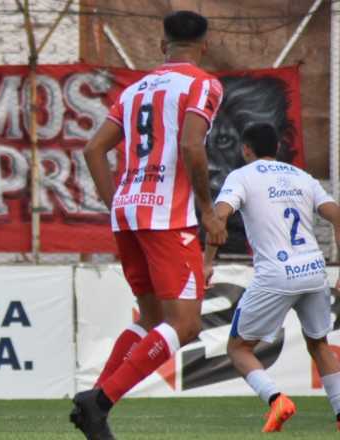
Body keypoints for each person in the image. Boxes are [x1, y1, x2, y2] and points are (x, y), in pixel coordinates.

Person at [74, 10, 227, 439]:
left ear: (162, 46)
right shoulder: (203, 84)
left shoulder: (135, 89)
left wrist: (115, 204)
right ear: (205, 45)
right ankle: (99, 401)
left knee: (152, 316)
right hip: (167, 217)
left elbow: (92, 150)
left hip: (128, 212)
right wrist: (207, 210)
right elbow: (192, 144)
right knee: (185, 324)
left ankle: (95, 403)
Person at [203, 123, 340, 432]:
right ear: (277, 149)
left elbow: (220, 216)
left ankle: (277, 399)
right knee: (319, 343)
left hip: (277, 275)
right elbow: (336, 214)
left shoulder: (241, 177)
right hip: (314, 270)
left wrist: (207, 263)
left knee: (238, 349)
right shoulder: (302, 177)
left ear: (245, 149)